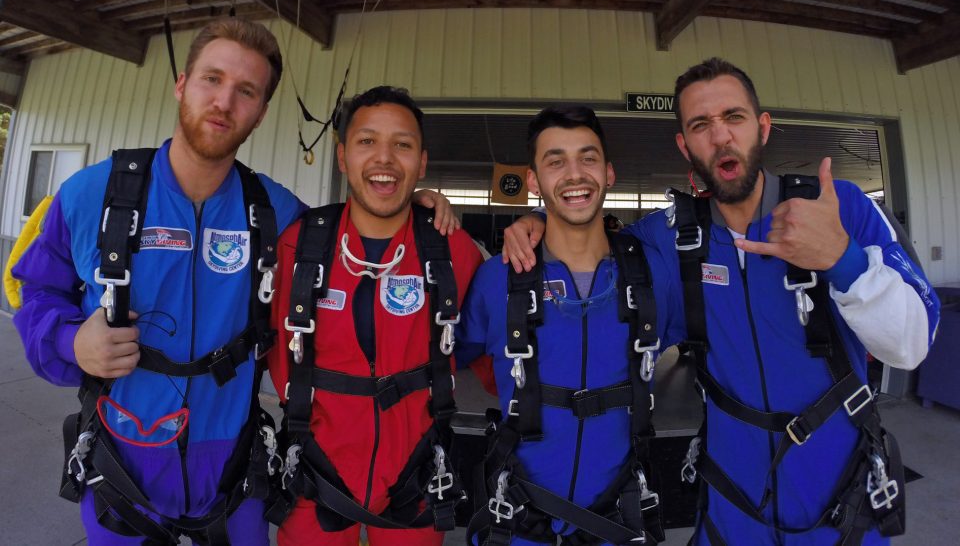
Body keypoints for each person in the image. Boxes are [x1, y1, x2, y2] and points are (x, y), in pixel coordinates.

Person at [502, 58, 939, 545]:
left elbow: (912, 345)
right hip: (731, 513)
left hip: (844, 508)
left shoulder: (841, 208)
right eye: (701, 126)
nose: (721, 137)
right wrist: (538, 224)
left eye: (734, 117)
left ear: (763, 127)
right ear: (684, 145)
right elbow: (589, 254)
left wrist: (842, 259)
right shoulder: (665, 239)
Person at [10, 18, 304, 544]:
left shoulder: (276, 211)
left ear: (260, 112)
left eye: (246, 91)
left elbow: (358, 238)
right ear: (181, 84)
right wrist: (69, 340)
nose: (224, 102)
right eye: (211, 79)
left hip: (233, 471)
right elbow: (37, 289)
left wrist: (423, 210)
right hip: (121, 463)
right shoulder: (88, 194)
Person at [266, 86, 484, 546]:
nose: (384, 159)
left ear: (421, 162)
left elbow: (494, 348)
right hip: (313, 478)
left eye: (402, 145)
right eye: (367, 142)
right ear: (343, 157)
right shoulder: (299, 245)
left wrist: (537, 225)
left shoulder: (453, 251)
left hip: (418, 481)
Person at [456, 106, 681, 545]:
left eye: (588, 158)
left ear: (609, 172)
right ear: (534, 180)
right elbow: (457, 361)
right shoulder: (497, 278)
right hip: (518, 520)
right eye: (556, 161)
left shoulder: (654, 269)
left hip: (620, 519)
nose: (575, 175)